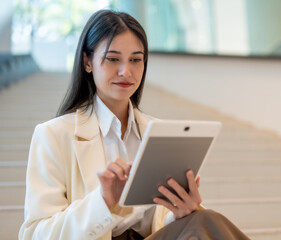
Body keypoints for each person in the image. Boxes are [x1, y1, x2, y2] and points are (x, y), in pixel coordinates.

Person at [19, 9, 250, 240]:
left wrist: (182, 212)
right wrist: (104, 201)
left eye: (136, 60)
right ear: (87, 62)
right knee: (206, 223)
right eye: (113, 59)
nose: (125, 71)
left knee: (202, 218)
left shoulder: (159, 133)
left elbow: (160, 224)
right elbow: (35, 234)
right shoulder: (53, 135)